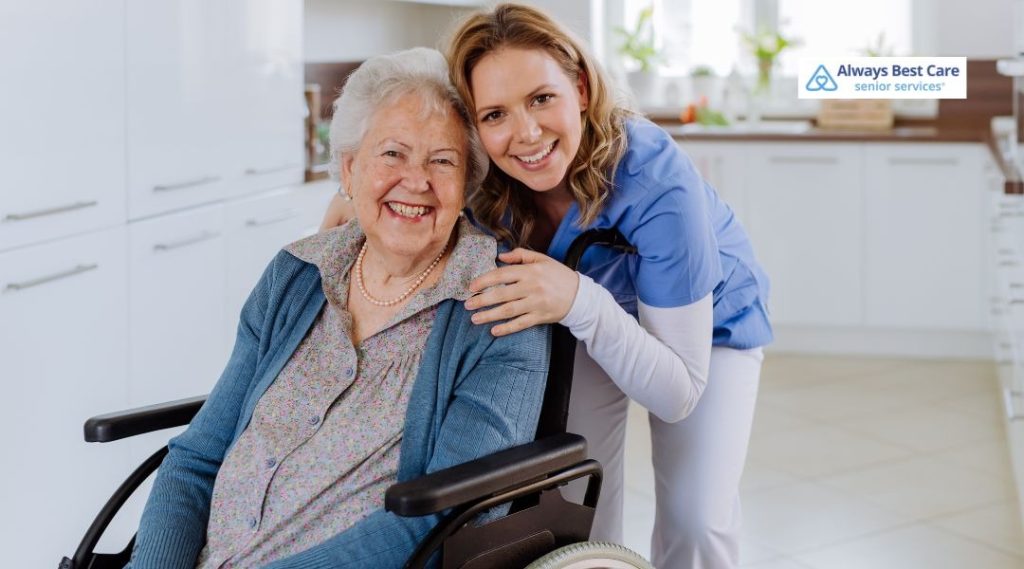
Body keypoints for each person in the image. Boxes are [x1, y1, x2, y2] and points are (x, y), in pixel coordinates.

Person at [320, 5, 772, 568]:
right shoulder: (483, 177)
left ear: (580, 88)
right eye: (495, 114)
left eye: (541, 98)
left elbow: (678, 394)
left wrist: (580, 299)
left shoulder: (655, 181)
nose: (526, 133)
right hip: (575, 317)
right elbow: (413, 161)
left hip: (706, 330)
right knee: (576, 498)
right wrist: (355, 189)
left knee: (696, 519)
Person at [127, 47, 549, 569]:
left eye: (442, 161)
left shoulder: (500, 307)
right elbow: (196, 460)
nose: (416, 180)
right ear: (350, 170)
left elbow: (447, 517)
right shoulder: (296, 274)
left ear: (466, 186)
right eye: (392, 154)